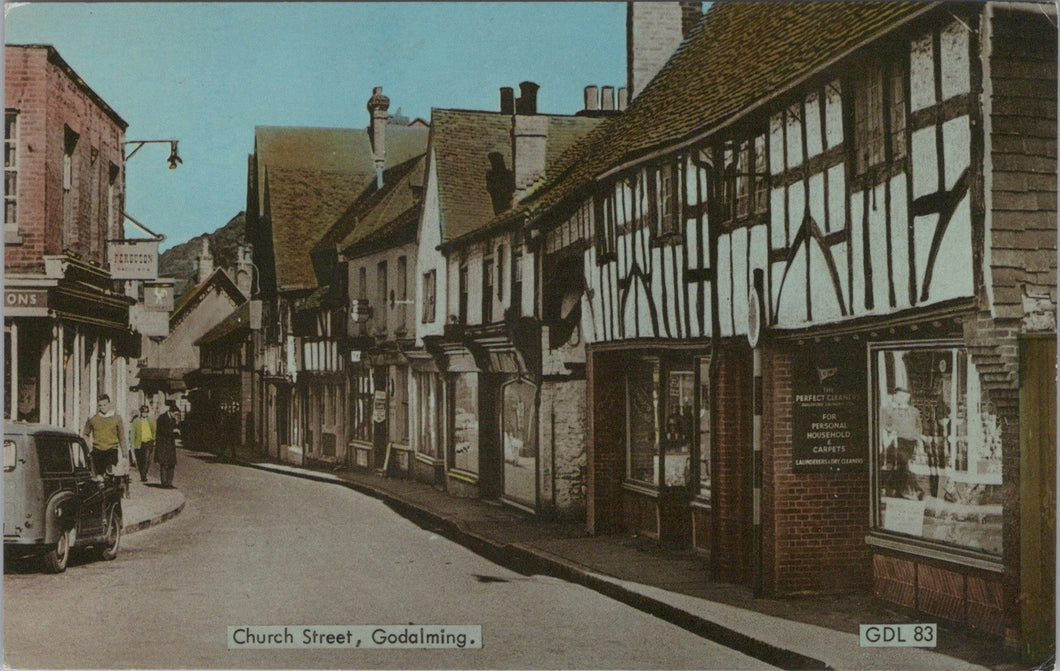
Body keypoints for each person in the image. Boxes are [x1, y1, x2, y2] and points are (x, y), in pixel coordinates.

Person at [84, 394, 129, 478]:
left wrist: (124, 454)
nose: (103, 407)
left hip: (111, 451)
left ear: (109, 404)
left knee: (109, 476)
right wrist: (89, 448)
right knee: (99, 478)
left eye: (105, 405)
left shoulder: (117, 418)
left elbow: (122, 437)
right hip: (97, 452)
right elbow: (85, 434)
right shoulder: (93, 418)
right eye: (100, 405)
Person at [130, 404, 157, 483]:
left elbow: (154, 430)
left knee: (147, 459)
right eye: (143, 412)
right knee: (140, 460)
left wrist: (154, 439)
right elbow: (133, 433)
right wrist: (132, 444)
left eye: (146, 412)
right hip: (139, 443)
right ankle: (142, 473)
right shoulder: (136, 421)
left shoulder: (151, 420)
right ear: (141, 412)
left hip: (148, 442)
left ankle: (144, 475)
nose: (145, 414)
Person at [155, 402, 179, 488]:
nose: (176, 416)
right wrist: (172, 431)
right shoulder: (162, 418)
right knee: (164, 464)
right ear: (171, 412)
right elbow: (161, 431)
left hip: (171, 445)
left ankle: (169, 482)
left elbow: (174, 430)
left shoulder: (173, 419)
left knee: (172, 464)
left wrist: (176, 432)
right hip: (163, 445)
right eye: (175, 414)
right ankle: (164, 483)